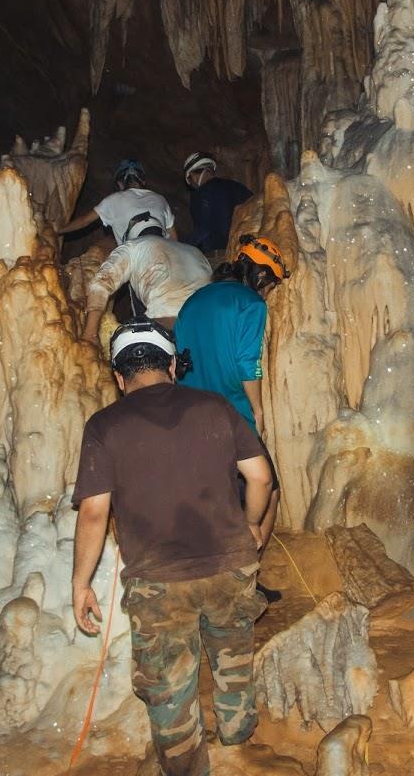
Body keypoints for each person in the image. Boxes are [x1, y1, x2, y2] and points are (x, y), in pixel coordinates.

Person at [72, 321, 274, 776]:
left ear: (119, 379)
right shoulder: (216, 406)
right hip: (230, 565)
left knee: (169, 688)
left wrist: (80, 582)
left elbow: (92, 513)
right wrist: (252, 525)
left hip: (159, 580)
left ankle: (188, 766)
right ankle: (238, 747)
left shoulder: (104, 425)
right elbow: (260, 477)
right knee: (234, 664)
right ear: (170, 366)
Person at [173, 235, 289, 601]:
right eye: (269, 282)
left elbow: (180, 360)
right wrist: (255, 408)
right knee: (267, 491)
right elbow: (247, 361)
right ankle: (245, 583)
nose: (268, 291)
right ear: (259, 275)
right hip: (230, 416)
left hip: (188, 415)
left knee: (215, 500)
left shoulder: (192, 302)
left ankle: (208, 581)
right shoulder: (250, 303)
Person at [82, 214, 212, 343]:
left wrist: (90, 334)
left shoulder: (132, 246)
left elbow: (102, 283)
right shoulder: (195, 251)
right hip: (208, 322)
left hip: (168, 320)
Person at [58, 158, 176, 245]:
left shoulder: (113, 200)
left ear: (120, 184)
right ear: (143, 181)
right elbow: (174, 237)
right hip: (164, 249)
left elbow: (84, 221)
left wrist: (58, 230)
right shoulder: (160, 199)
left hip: (136, 253)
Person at [182, 152, 252, 255]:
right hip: (248, 250)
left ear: (193, 176)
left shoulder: (201, 193)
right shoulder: (239, 187)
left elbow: (203, 229)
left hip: (221, 254)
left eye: (190, 181)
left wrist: (181, 246)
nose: (192, 186)